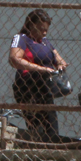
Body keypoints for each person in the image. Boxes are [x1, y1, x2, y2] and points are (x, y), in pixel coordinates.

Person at [9, 9, 68, 144]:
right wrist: (41, 69)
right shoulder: (22, 39)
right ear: (31, 24)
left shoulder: (45, 42)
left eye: (46, 29)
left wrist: (60, 65)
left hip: (45, 89)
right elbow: (14, 59)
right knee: (36, 126)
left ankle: (50, 152)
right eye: (41, 29)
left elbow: (59, 59)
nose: (44, 33)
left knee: (51, 126)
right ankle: (36, 153)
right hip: (29, 87)